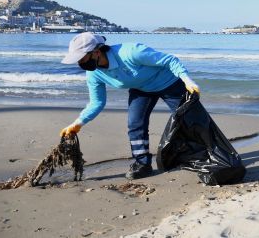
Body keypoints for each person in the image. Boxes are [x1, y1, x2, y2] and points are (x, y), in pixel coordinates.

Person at [59, 32, 200, 179]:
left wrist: (187, 80)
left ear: (96, 51)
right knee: (135, 124)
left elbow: (170, 60)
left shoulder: (132, 52)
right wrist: (78, 123)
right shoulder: (94, 74)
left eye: (81, 58)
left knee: (190, 120)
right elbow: (97, 102)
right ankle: (142, 164)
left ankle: (203, 154)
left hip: (169, 83)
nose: (80, 63)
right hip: (141, 89)